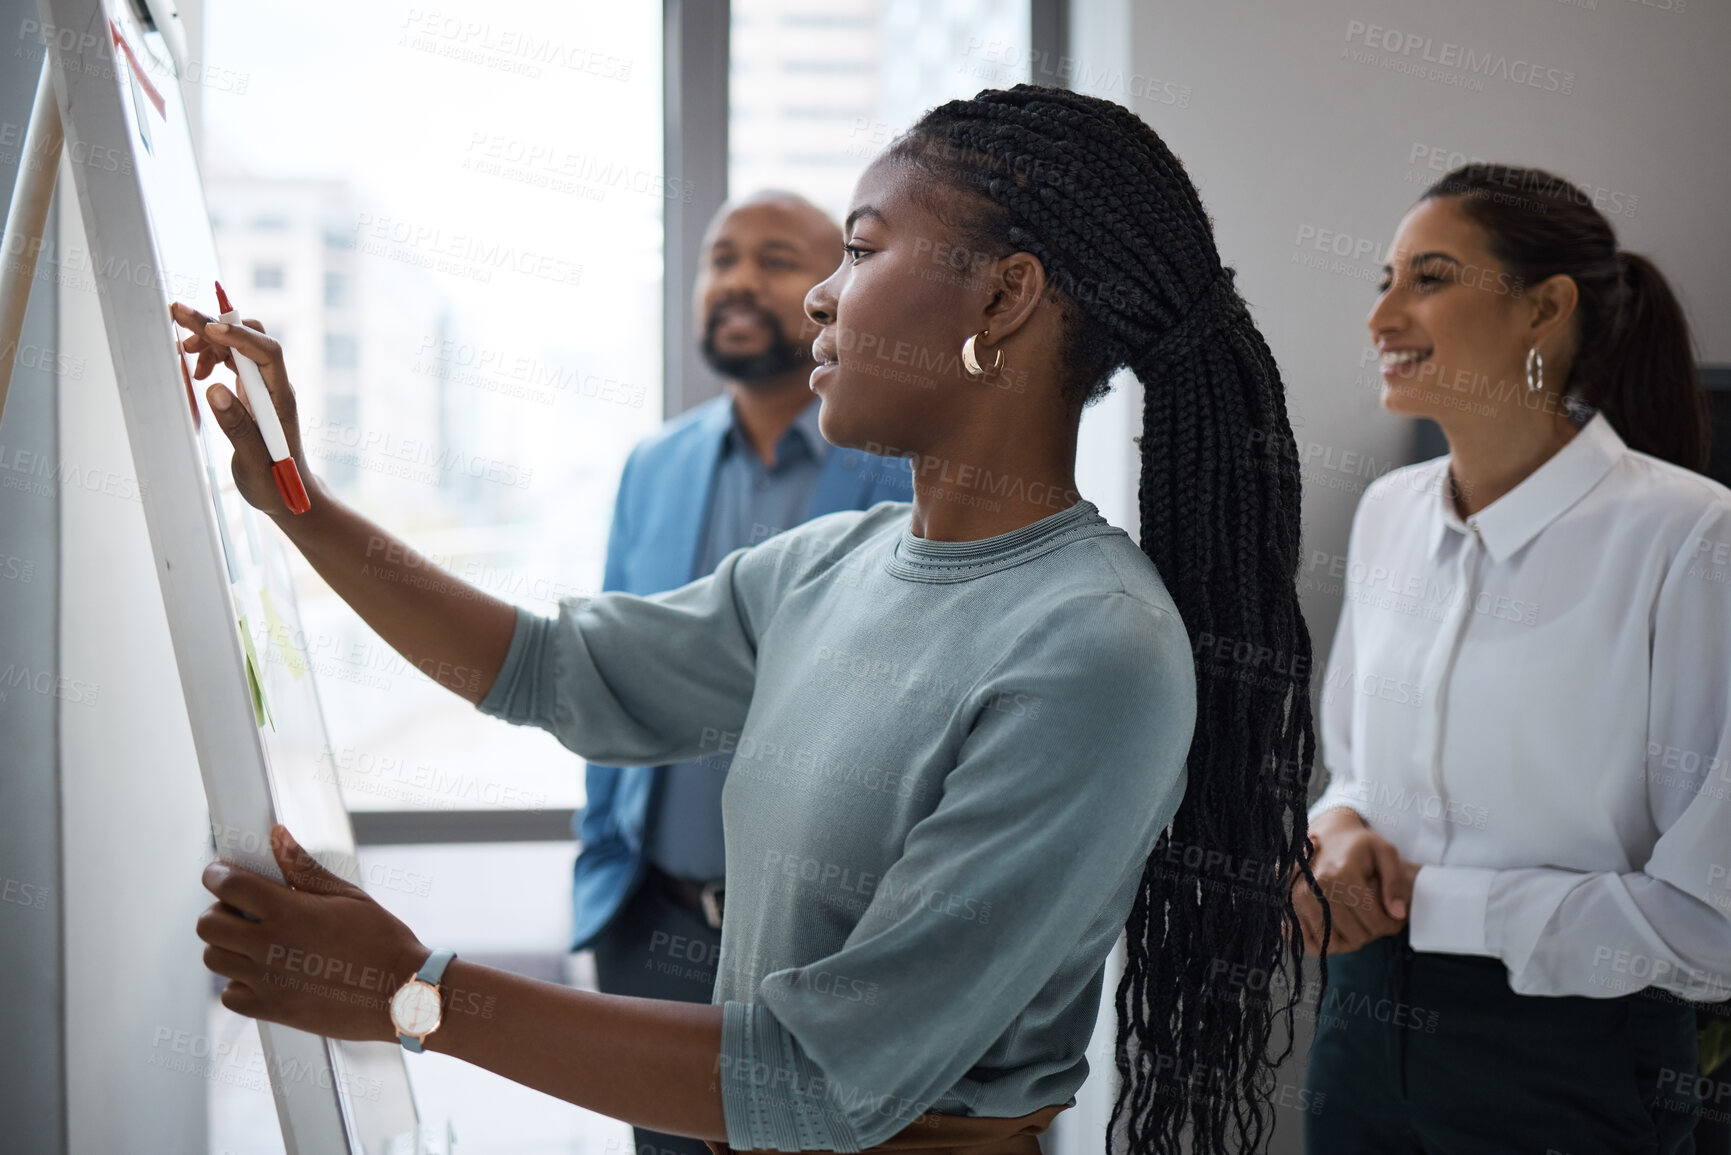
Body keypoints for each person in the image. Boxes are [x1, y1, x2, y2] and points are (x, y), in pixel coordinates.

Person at [181, 85, 1320, 1155]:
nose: (824, 293)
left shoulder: (1096, 646)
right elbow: (546, 670)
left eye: (863, 250)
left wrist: (409, 989)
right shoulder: (829, 566)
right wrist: (297, 500)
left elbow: (821, 1079)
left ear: (1003, 297)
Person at [1292, 163, 1731, 1154]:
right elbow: (1358, 768)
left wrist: (1426, 902)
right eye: (1384, 280)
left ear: (1545, 308)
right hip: (1361, 1030)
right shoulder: (1387, 514)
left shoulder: (1690, 539)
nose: (1383, 318)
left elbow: (1715, 924)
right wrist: (1342, 836)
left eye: (1430, 278)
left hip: (1571, 1057)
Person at [583, 190, 913, 1155]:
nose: (734, 278)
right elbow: (608, 666)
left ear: (836, 295)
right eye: (718, 257)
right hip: (655, 928)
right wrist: (608, 872)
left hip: (841, 946)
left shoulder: (904, 468)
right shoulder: (655, 467)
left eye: (775, 258)